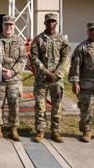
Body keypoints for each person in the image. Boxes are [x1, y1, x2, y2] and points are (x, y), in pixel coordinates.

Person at [30, 13, 71, 143]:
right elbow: (34, 57)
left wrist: (57, 72)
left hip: (56, 79)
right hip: (42, 78)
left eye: (53, 21)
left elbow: (66, 57)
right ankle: (40, 131)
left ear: (56, 23)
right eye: (48, 21)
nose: (51, 23)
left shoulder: (62, 39)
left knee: (57, 106)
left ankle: (55, 131)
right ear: (45, 23)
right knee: (40, 105)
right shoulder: (38, 39)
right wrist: (46, 71)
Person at [0, 15, 27, 142]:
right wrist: (2, 70)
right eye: (6, 24)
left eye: (11, 25)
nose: (8, 27)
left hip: (14, 79)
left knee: (14, 104)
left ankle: (13, 130)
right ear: (2, 25)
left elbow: (23, 59)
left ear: (14, 26)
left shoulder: (20, 41)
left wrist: (12, 71)